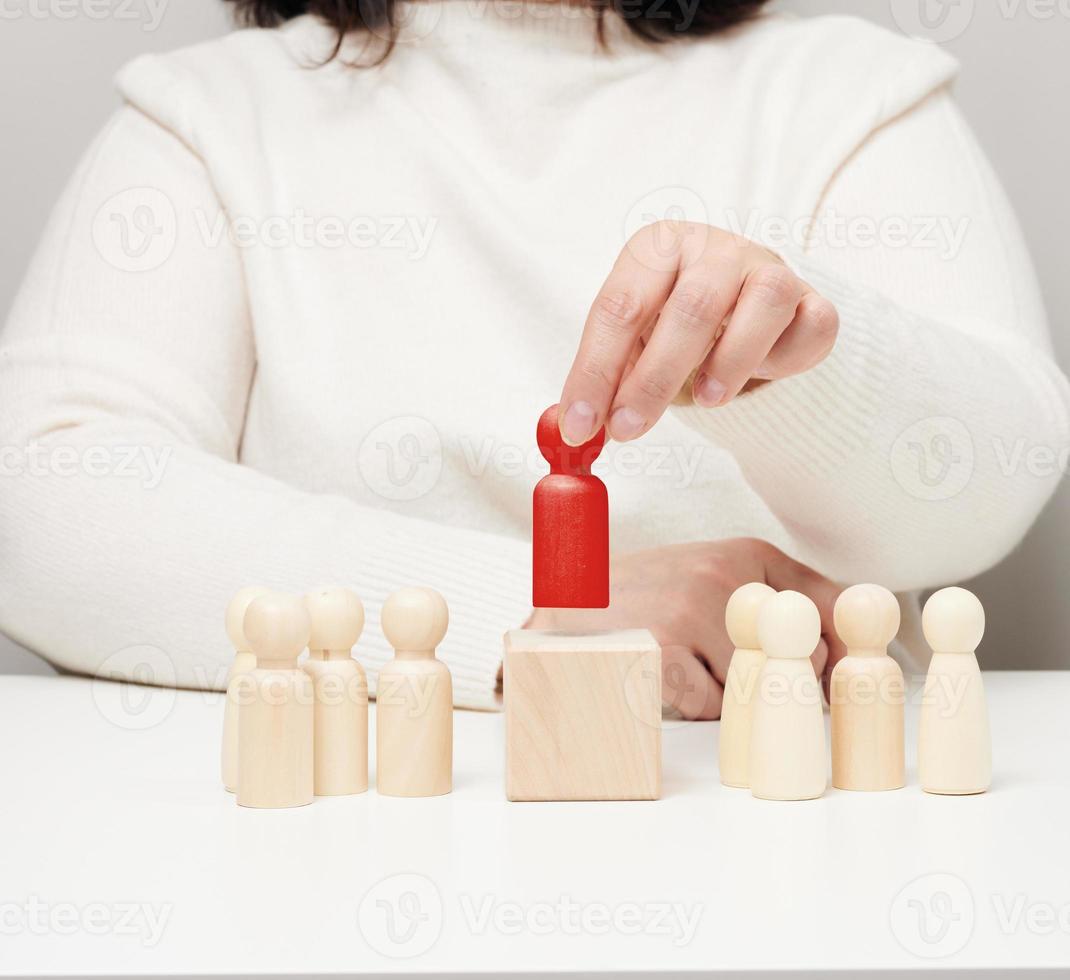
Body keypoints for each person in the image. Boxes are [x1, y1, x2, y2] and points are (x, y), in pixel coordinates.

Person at [0, 0, 1066, 718]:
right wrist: (540, 612)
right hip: (333, 845)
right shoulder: (212, 114)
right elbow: (38, 505)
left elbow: (986, 495)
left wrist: (800, 371)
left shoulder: (847, 91)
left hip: (782, 840)